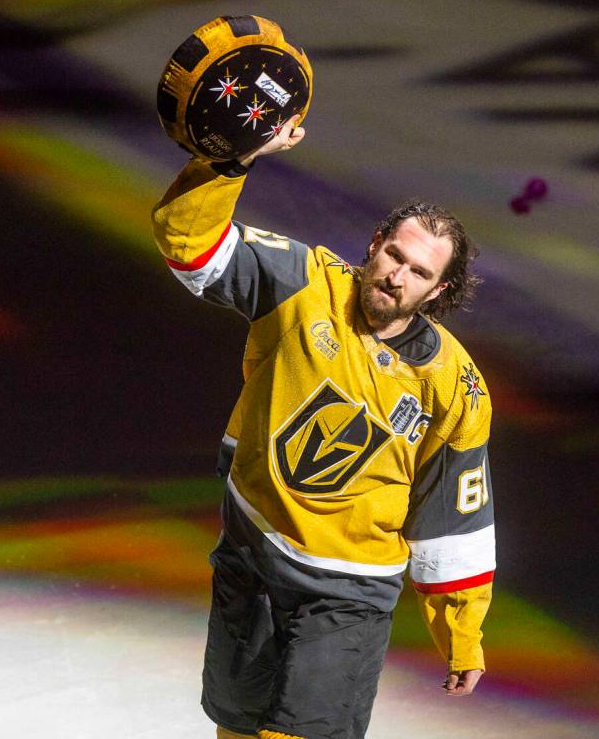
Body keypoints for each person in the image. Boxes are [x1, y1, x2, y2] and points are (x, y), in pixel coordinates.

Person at [152, 115, 496, 739]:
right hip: (252, 550)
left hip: (348, 591)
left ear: (437, 289)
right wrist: (232, 160)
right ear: (374, 243)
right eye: (395, 255)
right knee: (236, 724)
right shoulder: (302, 282)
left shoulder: (454, 384)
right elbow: (189, 245)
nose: (397, 276)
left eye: (418, 273)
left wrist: (462, 635)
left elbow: (455, 516)